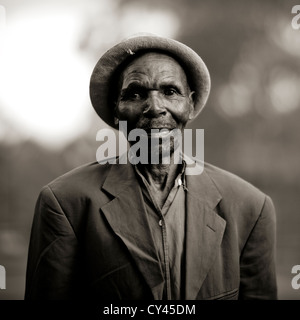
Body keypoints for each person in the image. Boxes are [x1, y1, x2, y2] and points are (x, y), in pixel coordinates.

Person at [25, 34, 277, 300]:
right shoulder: (66, 203)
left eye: (170, 91)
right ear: (116, 110)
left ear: (189, 105)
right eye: (135, 94)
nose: (155, 108)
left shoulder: (250, 208)